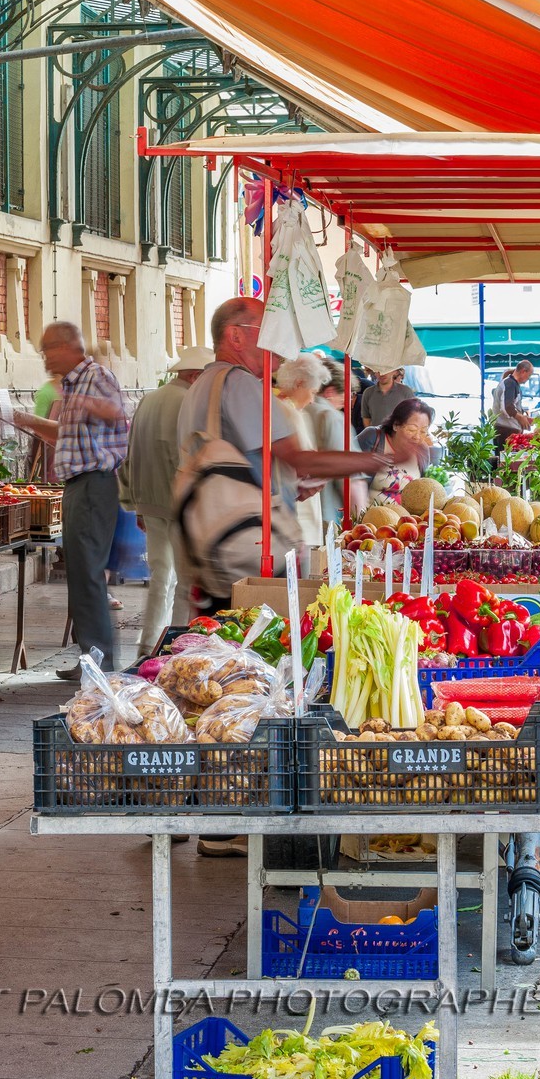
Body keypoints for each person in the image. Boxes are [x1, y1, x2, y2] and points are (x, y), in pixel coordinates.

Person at [179, 302, 386, 858]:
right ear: (235, 336)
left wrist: (280, 487)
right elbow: (300, 457)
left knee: (218, 688)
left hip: (213, 547)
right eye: (263, 331)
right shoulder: (244, 385)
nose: (273, 343)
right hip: (247, 557)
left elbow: (250, 466)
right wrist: (371, 461)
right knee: (245, 692)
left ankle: (208, 812)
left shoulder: (202, 385)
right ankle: (225, 821)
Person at [15, 322, 129, 678]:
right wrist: (29, 421)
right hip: (79, 486)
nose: (45, 358)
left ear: (66, 347)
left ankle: (101, 663)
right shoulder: (74, 384)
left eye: (47, 349)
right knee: (80, 574)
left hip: (94, 485)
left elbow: (117, 413)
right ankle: (90, 659)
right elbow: (68, 435)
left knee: (89, 575)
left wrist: (83, 402)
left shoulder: (95, 376)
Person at [118, 345, 214, 662]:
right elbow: (187, 459)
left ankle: (148, 646)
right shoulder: (188, 402)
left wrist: (136, 503)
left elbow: (129, 456)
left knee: (161, 577)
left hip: (150, 503)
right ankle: (177, 648)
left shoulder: (149, 399)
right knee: (185, 582)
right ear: (194, 375)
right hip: (180, 506)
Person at [275, 353, 332, 569]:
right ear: (299, 383)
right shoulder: (289, 414)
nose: (312, 399)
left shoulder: (284, 410)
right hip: (296, 518)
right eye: (312, 392)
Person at [357, 397, 436, 507]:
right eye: (411, 430)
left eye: (423, 431)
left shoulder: (422, 450)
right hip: (368, 519)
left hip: (405, 522)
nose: (417, 437)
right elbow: (347, 477)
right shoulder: (372, 437)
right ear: (395, 425)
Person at [308, 356, 349, 531]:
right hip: (327, 516)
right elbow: (348, 478)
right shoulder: (332, 417)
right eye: (342, 399)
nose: (343, 404)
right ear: (330, 392)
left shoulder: (293, 410)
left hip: (302, 516)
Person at [491, 360, 535, 453]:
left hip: (510, 430)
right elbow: (507, 407)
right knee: (505, 463)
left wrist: (525, 417)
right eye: (529, 375)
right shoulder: (509, 383)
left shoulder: (514, 384)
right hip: (505, 430)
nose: (528, 378)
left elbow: (514, 405)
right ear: (523, 371)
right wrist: (520, 417)